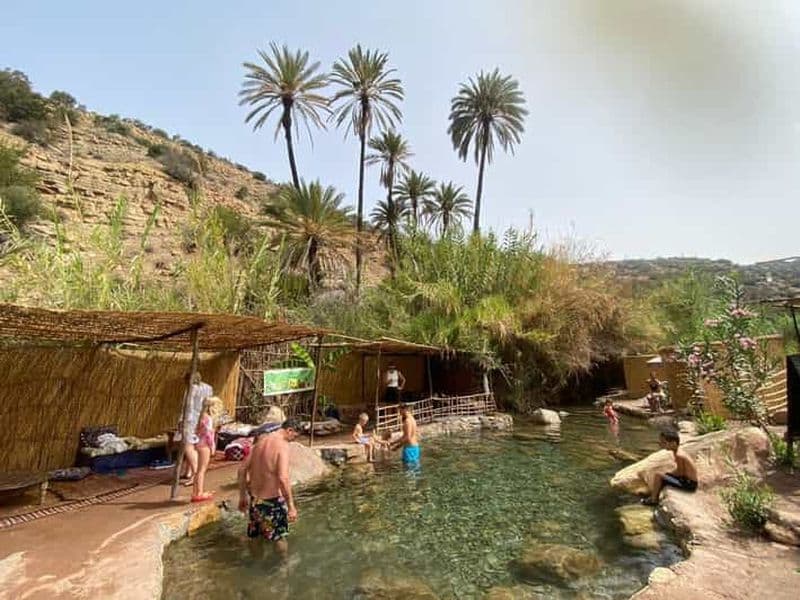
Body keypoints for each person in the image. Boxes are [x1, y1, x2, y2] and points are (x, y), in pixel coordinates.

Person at [238, 418, 301, 554]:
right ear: (289, 430)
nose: (292, 440)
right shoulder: (282, 446)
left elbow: (242, 469)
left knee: (255, 537)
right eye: (294, 437)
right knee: (279, 538)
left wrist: (242, 497)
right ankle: (283, 568)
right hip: (272, 502)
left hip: (255, 500)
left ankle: (255, 567)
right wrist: (291, 506)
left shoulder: (260, 442)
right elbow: (283, 478)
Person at [640, 428, 698, 506]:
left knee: (658, 475)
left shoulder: (679, 455)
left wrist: (667, 475)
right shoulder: (678, 451)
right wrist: (668, 474)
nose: (661, 444)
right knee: (663, 475)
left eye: (664, 443)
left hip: (689, 484)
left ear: (673, 443)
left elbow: (680, 473)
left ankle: (653, 499)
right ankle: (654, 494)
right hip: (687, 481)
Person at [178, 372, 213, 486]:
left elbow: (187, 407)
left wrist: (181, 421)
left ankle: (195, 473)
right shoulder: (208, 388)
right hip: (203, 419)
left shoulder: (191, 390)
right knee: (196, 445)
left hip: (190, 420)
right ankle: (188, 472)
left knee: (188, 446)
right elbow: (209, 404)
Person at [191, 397, 217, 502]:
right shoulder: (208, 418)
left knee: (198, 470)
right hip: (204, 445)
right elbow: (208, 434)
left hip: (199, 443)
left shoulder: (201, 416)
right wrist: (212, 446)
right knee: (202, 470)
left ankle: (196, 492)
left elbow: (198, 431)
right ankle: (199, 493)